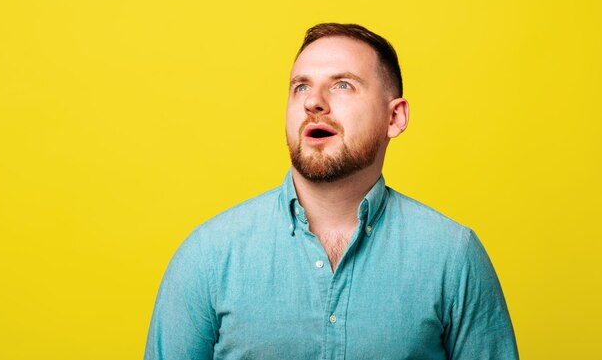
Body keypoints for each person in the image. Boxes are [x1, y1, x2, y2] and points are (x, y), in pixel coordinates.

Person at [144, 23, 519, 360]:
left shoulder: (452, 257)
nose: (313, 101)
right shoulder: (208, 257)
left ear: (395, 117)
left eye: (343, 85)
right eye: (301, 86)